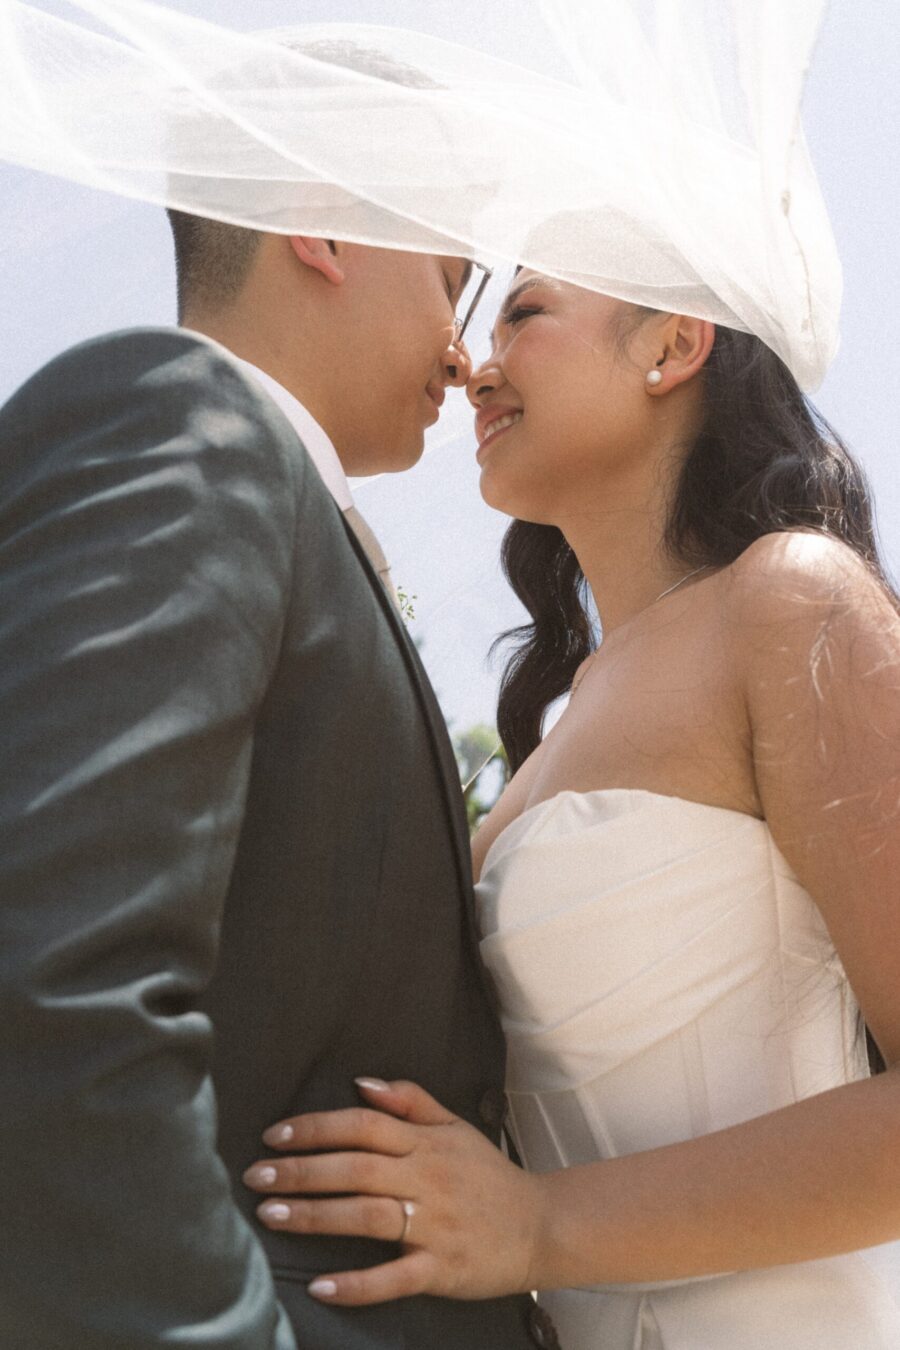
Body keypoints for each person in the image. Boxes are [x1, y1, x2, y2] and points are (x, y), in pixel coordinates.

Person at [0, 45, 558, 1348]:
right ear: (321, 224)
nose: (463, 351)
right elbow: (55, 995)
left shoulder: (286, 511)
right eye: (451, 279)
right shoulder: (177, 425)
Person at [243, 269, 900, 1348]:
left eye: (524, 315)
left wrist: (539, 1227)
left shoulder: (791, 601)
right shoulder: (559, 728)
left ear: (674, 344)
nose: (474, 366)